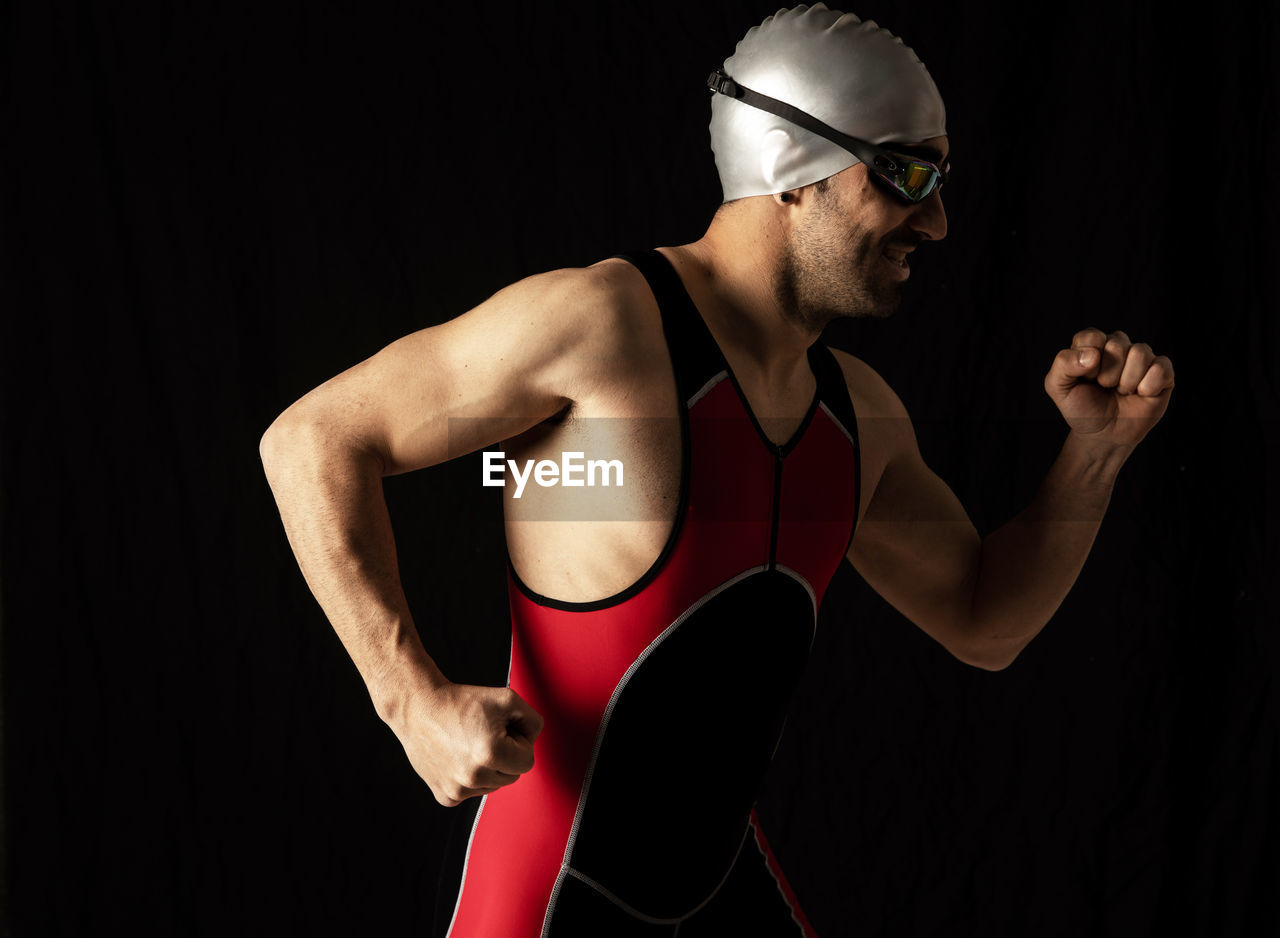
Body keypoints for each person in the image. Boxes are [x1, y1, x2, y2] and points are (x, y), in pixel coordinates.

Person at [260, 4, 1175, 936]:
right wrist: (411, 698)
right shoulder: (602, 332)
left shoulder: (858, 417)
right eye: (905, 172)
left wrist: (1095, 451)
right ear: (791, 168)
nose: (935, 221)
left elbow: (985, 621)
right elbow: (315, 439)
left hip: (720, 892)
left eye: (941, 179)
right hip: (554, 898)